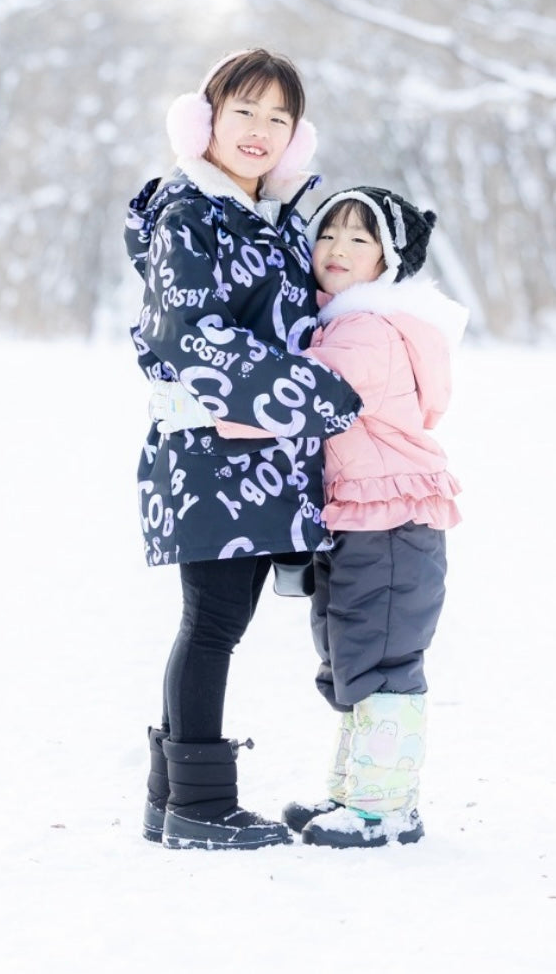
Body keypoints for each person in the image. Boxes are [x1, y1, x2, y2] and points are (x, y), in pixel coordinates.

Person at [124, 48, 362, 851]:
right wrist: (318, 394)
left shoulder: (275, 217)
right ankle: (198, 804)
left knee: (216, 623)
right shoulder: (189, 213)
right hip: (210, 462)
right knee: (213, 622)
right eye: (244, 112)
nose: (259, 131)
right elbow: (195, 338)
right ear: (207, 120)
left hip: (264, 464)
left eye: (278, 118)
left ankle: (173, 801)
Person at [281, 185, 466, 849]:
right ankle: (354, 791)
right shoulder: (345, 322)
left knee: (382, 656)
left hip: (392, 520)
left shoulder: (365, 331)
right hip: (364, 512)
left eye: (360, 239)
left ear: (389, 261)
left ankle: (385, 808)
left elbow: (302, 396)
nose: (336, 248)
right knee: (351, 650)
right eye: (328, 234)